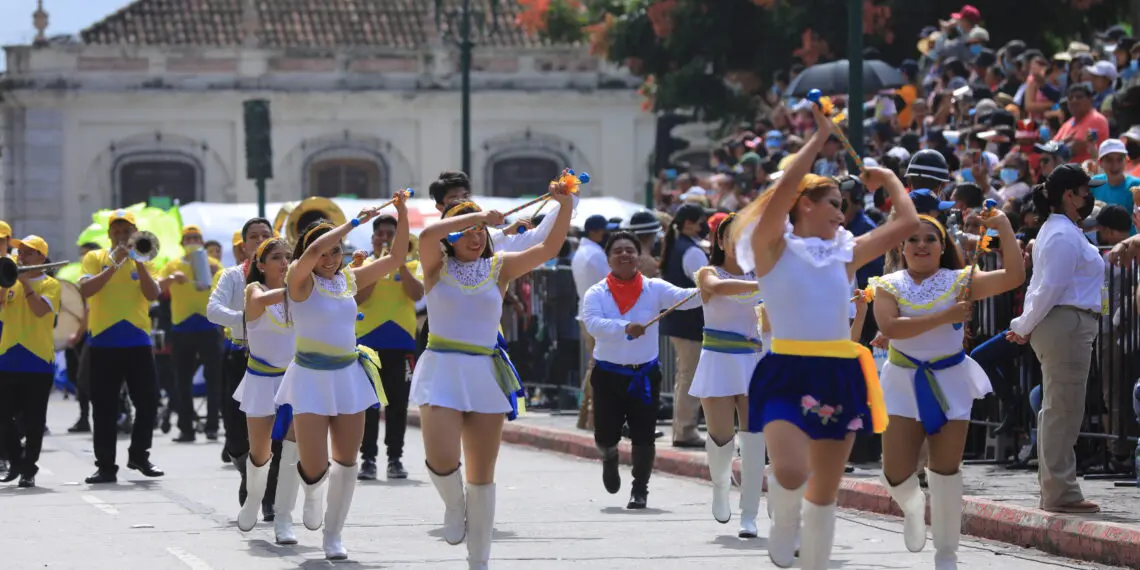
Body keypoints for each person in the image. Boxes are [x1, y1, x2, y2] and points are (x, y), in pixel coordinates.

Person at [731, 103, 919, 569]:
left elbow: (909, 224)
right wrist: (818, 139)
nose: (842, 212)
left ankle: (813, 560)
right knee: (792, 470)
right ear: (806, 204)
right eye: (834, 203)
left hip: (839, 371)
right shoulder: (771, 247)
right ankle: (783, 522)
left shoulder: (845, 252)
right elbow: (780, 193)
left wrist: (889, 180)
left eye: (844, 205)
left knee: (826, 488)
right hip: (785, 368)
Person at [412, 180, 573, 570]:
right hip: (443, 367)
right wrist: (480, 215)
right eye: (464, 230)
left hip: (485, 370)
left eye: (479, 231)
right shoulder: (435, 265)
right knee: (441, 457)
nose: (474, 235)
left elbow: (549, 247)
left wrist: (565, 204)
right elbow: (427, 233)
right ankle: (453, 506)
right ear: (450, 237)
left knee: (483, 473)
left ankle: (479, 560)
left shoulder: (499, 266)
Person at [871, 211, 1024, 569]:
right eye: (914, 239)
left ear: (943, 246)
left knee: (946, 470)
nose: (921, 245)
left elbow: (1015, 276)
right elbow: (891, 327)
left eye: (930, 239)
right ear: (902, 246)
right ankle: (911, 508)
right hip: (902, 382)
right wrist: (945, 316)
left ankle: (946, 556)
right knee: (894, 473)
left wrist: (1002, 227)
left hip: (950, 379)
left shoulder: (960, 280)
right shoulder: (887, 284)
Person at [275, 194, 410, 561]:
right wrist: (353, 222)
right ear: (308, 255)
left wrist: (401, 213)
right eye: (323, 252)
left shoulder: (347, 280)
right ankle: (313, 496)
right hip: (310, 377)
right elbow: (315, 246)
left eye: (337, 251)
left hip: (348, 375)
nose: (330, 258)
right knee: (315, 465)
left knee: (347, 460)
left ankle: (333, 535)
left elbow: (396, 259)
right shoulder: (298, 281)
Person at [1007, 164, 1104, 514]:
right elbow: (1049, 288)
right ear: (1069, 194)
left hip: (1065, 323)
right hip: (1066, 324)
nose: (1089, 196)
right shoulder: (1062, 234)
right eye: (1084, 190)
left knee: (1060, 408)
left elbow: (1041, 286)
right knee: (1062, 410)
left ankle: (1058, 488)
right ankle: (1060, 492)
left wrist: (1024, 324)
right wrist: (1023, 325)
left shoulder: (1059, 231)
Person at [580, 230, 701, 510]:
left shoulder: (655, 288)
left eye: (630, 250)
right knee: (605, 435)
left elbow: (686, 298)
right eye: (618, 251)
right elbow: (594, 325)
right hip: (608, 375)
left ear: (639, 256)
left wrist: (710, 284)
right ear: (608, 259)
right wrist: (625, 328)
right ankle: (609, 456)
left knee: (644, 434)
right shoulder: (596, 293)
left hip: (645, 375)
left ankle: (640, 489)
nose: (625, 255)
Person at [687, 214, 766, 537]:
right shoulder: (707, 273)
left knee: (754, 439)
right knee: (721, 439)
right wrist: (765, 284)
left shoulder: (764, 272)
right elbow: (718, 288)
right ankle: (720, 486)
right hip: (717, 359)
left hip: (754, 360)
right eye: (729, 236)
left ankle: (750, 515)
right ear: (719, 242)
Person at [78, 210, 165, 484]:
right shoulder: (95, 258)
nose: (121, 236)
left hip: (137, 340)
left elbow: (153, 294)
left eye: (126, 231)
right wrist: (113, 265)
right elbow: (86, 290)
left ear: (135, 233)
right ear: (108, 235)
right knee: (103, 407)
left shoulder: (147, 256)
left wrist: (137, 261)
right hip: (103, 341)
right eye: (116, 232)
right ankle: (105, 466)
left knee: (148, 401)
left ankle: (139, 455)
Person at [231, 237, 300, 544]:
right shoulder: (253, 290)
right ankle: (253, 499)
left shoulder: (303, 294)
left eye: (288, 256)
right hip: (260, 380)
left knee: (292, 451)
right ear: (261, 265)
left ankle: (284, 518)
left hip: (295, 381)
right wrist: (308, 287)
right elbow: (259, 302)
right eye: (276, 257)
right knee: (261, 454)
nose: (285, 262)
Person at [207, 218, 274, 507]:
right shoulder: (232, 276)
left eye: (265, 236)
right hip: (240, 354)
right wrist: (245, 319)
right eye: (254, 237)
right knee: (236, 434)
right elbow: (213, 310)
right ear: (244, 245)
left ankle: (270, 499)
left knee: (274, 430)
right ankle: (249, 473)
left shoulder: (285, 275)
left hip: (274, 359)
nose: (259, 240)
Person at [355, 215, 424, 481]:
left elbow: (417, 295)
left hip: (402, 343)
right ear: (372, 238)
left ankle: (395, 458)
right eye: (380, 234)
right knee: (368, 405)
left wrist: (400, 263)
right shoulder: (363, 265)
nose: (385, 238)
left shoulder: (414, 263)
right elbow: (360, 297)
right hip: (369, 343)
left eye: (391, 235)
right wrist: (380, 267)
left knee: (398, 404)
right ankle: (368, 459)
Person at [0, 236, 61, 488]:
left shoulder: (51, 285)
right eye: (20, 251)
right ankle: (16, 459)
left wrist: (25, 284)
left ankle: (29, 468)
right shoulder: (8, 282)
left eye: (28, 253)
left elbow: (39, 310)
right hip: (8, 358)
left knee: (35, 419)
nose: (21, 256)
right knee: (3, 416)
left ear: (41, 258)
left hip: (37, 359)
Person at [158, 225, 224, 442]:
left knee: (214, 379)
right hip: (182, 328)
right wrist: (171, 279)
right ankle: (186, 427)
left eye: (196, 237)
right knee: (182, 379)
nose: (192, 241)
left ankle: (213, 426)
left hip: (209, 326)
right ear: (182, 243)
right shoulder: (173, 265)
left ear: (202, 242)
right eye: (188, 238)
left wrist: (216, 274)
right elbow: (158, 286)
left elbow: (226, 287)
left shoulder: (213, 264)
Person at [658, 203, 710, 448]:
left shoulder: (678, 246)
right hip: (690, 322)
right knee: (689, 376)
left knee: (685, 375)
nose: (705, 226)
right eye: (701, 220)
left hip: (680, 321)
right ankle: (685, 429)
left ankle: (683, 427)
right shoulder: (691, 251)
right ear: (689, 223)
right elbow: (707, 283)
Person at [572, 214, 615, 431]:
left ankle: (586, 415)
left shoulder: (583, 252)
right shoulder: (595, 255)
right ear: (593, 232)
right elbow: (611, 284)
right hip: (597, 316)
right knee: (599, 368)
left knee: (595, 366)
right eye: (602, 230)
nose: (605, 234)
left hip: (586, 314)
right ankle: (592, 416)